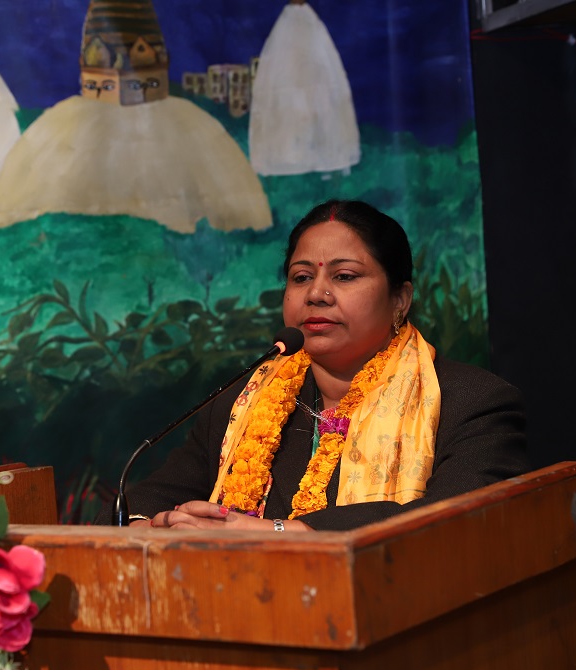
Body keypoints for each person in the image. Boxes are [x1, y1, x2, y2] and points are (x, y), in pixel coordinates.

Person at [106, 199, 528, 532]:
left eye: (344, 276)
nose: (316, 294)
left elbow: (459, 521)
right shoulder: (241, 405)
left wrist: (283, 533)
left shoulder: (471, 402)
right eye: (301, 277)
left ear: (400, 299)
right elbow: (141, 503)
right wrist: (152, 528)